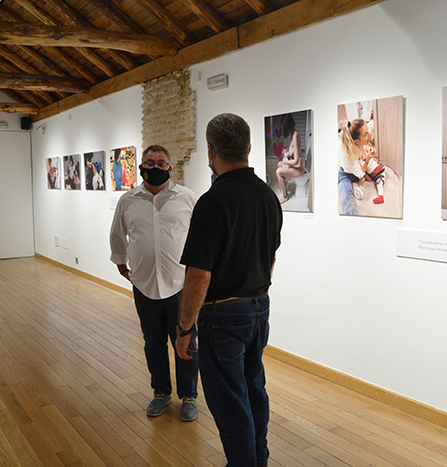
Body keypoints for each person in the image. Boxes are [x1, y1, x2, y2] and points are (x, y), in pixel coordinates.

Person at [175, 113, 283, 467]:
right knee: (253, 391)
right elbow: (271, 259)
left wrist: (185, 328)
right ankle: (257, 460)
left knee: (229, 402)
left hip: (222, 315)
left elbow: (199, 277)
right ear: (249, 147)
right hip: (258, 307)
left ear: (210, 150)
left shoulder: (212, 202)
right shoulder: (268, 196)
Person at [109, 145, 200, 421]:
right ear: (140, 166)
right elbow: (117, 235)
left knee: (185, 342)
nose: (156, 168)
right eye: (150, 162)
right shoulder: (128, 201)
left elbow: (200, 238)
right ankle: (160, 392)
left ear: (170, 168)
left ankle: (189, 396)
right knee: (153, 343)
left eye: (161, 163)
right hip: (144, 285)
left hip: (180, 286)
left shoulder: (187, 198)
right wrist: (122, 264)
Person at [338, 119, 369, 215]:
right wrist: (367, 160)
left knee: (364, 178)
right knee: (347, 200)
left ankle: (355, 184)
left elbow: (362, 156)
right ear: (356, 141)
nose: (370, 135)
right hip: (345, 175)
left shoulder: (358, 143)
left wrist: (365, 155)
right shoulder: (350, 157)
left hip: (354, 170)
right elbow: (361, 174)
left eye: (367, 131)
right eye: (365, 134)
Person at [275, 113, 305, 204]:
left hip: (298, 168)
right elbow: (294, 152)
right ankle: (284, 185)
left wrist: (285, 161)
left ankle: (285, 196)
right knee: (279, 164)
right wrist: (287, 152)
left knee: (278, 172)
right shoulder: (293, 134)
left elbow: (296, 161)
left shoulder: (295, 135)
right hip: (295, 166)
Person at [361, 135, 386, 204]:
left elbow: (373, 153)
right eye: (365, 151)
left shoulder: (371, 158)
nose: (366, 153)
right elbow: (364, 171)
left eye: (367, 151)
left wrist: (372, 154)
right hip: (374, 174)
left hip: (380, 171)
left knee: (379, 183)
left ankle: (380, 196)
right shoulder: (364, 162)